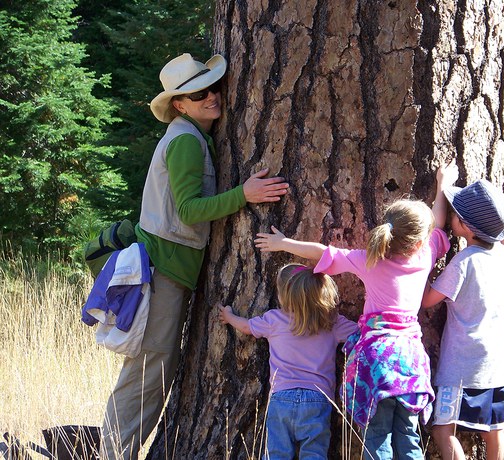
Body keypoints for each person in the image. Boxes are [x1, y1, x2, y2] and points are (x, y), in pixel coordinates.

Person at [101, 53, 289, 460]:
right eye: (198, 93)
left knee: (152, 369)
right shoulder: (185, 139)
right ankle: (115, 453)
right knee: (151, 371)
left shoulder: (191, 135)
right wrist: (245, 195)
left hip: (168, 271)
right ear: (180, 105)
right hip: (163, 273)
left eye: (213, 87)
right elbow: (187, 210)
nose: (211, 96)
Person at [254, 166, 456, 460]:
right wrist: (442, 185)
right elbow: (438, 225)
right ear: (418, 240)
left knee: (378, 435)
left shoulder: (370, 260)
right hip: (410, 361)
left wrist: (283, 244)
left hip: (377, 362)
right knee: (409, 434)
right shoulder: (426, 254)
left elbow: (325, 253)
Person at [420, 170, 504, 460]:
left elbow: (428, 300)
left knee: (443, 430)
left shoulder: (463, 263)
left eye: (455, 214)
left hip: (461, 370)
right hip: (498, 367)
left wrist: (422, 268)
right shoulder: (503, 260)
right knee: (494, 432)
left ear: (463, 226)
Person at [219, 263, 358, 459]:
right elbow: (360, 332)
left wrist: (229, 316)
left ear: (283, 296)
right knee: (314, 453)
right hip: (318, 399)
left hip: (281, 397)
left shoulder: (274, 320)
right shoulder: (331, 322)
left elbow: (246, 327)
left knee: (277, 453)